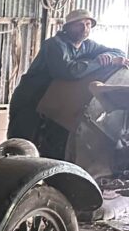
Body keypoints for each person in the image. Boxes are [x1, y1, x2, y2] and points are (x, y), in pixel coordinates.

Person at [7, 8, 127, 143]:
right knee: (22, 140)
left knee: (45, 139)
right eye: (79, 25)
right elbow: (68, 71)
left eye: (88, 25)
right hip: (31, 96)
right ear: (68, 27)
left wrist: (109, 56)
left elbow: (119, 52)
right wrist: (99, 62)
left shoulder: (87, 45)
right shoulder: (55, 44)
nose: (84, 29)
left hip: (51, 98)